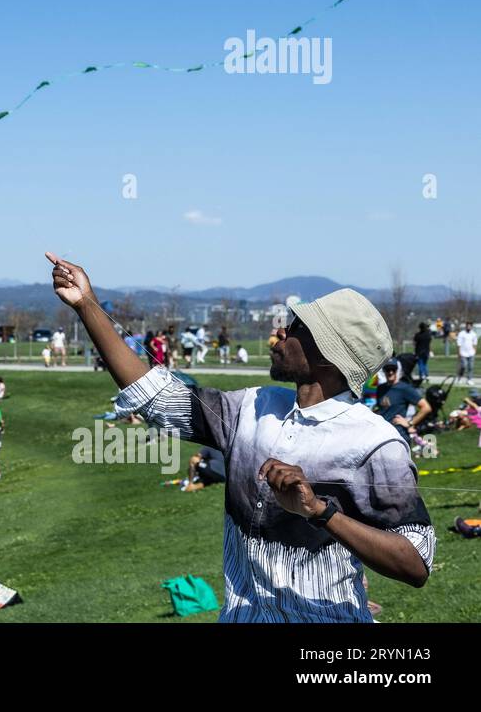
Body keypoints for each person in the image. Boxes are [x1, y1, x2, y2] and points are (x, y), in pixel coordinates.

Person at [46, 252, 435, 622]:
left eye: (295, 327)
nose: (279, 331)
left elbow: (414, 564)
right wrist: (87, 305)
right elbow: (158, 398)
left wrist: (320, 512)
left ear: (326, 353)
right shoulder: (253, 405)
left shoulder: (376, 442)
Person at [375, 360, 432, 440]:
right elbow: (382, 408)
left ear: (397, 370)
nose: (390, 372)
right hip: (382, 434)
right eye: (388, 369)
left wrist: (410, 423)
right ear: (384, 371)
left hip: (398, 435)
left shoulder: (405, 388)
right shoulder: (381, 388)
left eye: (393, 369)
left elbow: (426, 407)